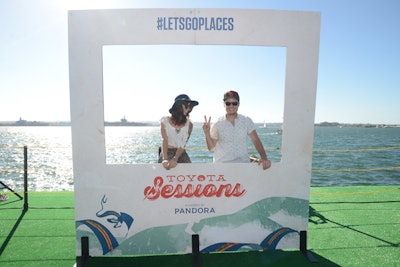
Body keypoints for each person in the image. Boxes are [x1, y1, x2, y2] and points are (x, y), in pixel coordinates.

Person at [203, 90, 271, 170]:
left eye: (234, 103)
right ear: (224, 105)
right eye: (228, 103)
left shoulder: (246, 121)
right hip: (222, 167)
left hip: (243, 166)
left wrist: (264, 158)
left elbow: (256, 140)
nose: (231, 106)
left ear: (238, 104)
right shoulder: (217, 123)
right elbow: (211, 148)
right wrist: (207, 133)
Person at [159, 94, 199, 170]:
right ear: (179, 107)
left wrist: (175, 158)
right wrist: (165, 159)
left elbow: (183, 144)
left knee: (189, 171)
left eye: (190, 107)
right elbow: (165, 140)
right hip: (167, 151)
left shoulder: (189, 124)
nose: (188, 109)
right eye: (187, 106)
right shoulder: (165, 121)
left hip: (181, 152)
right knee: (164, 170)